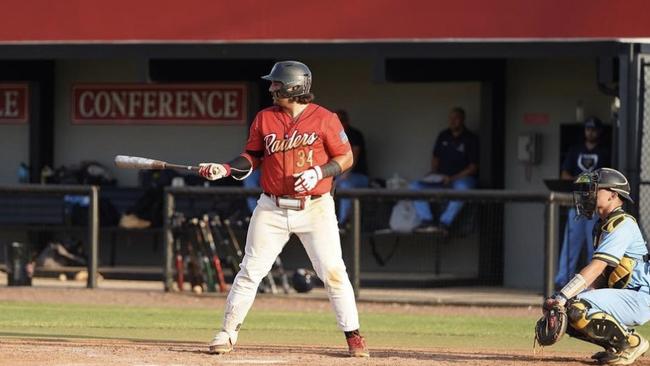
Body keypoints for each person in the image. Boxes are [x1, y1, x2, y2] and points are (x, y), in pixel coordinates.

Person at [197, 60, 369, 358]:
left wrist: (320, 172)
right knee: (250, 270)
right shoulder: (265, 118)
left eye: (277, 84)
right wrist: (225, 169)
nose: (271, 88)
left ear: (294, 86)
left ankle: (353, 336)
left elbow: (345, 158)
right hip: (272, 206)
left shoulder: (325, 119)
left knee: (333, 272)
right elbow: (251, 156)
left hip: (315, 208)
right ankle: (227, 332)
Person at [542, 167, 650, 365]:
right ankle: (616, 346)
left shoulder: (622, 224)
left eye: (593, 189)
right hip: (626, 295)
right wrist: (564, 300)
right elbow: (601, 277)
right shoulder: (601, 226)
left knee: (575, 307)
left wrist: (563, 296)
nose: (587, 194)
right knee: (567, 309)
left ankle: (632, 343)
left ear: (613, 195)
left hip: (639, 297)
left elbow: (597, 267)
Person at [555, 116, 611, 288]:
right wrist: (582, 179)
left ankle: (592, 283)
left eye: (594, 129)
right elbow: (564, 174)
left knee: (594, 246)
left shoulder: (604, 151)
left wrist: (590, 180)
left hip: (596, 206)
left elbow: (608, 177)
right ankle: (562, 281)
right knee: (570, 245)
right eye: (588, 129)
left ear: (599, 131)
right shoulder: (575, 150)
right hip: (577, 204)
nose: (591, 132)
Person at [410, 107, 479, 233]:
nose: (452, 121)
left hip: (460, 180)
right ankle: (427, 221)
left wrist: (452, 178)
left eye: (456, 118)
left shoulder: (471, 138)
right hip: (442, 180)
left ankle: (445, 223)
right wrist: (433, 173)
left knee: (463, 188)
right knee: (414, 186)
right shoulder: (443, 135)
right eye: (451, 118)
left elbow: (472, 168)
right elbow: (436, 157)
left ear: (463, 119)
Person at [334, 109, 369, 230]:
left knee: (345, 185)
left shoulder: (354, 134)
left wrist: (339, 179)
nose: (339, 124)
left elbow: (352, 159)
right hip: (337, 176)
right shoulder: (332, 134)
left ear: (347, 122)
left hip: (358, 177)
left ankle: (343, 222)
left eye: (341, 121)